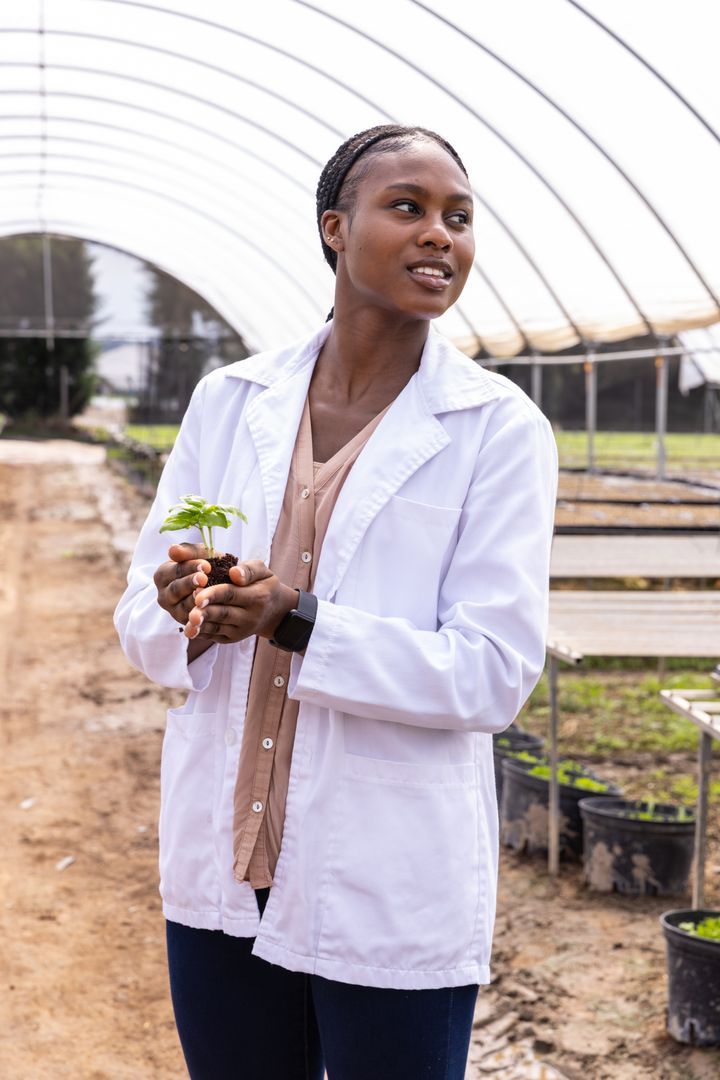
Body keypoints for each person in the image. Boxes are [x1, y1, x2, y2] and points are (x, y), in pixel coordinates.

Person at [114, 123, 557, 1080]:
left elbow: (493, 673)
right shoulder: (231, 401)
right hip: (227, 866)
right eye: (409, 208)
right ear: (334, 228)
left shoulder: (497, 431)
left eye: (460, 218)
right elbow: (141, 617)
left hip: (386, 877)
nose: (441, 235)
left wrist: (295, 619)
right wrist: (184, 607)